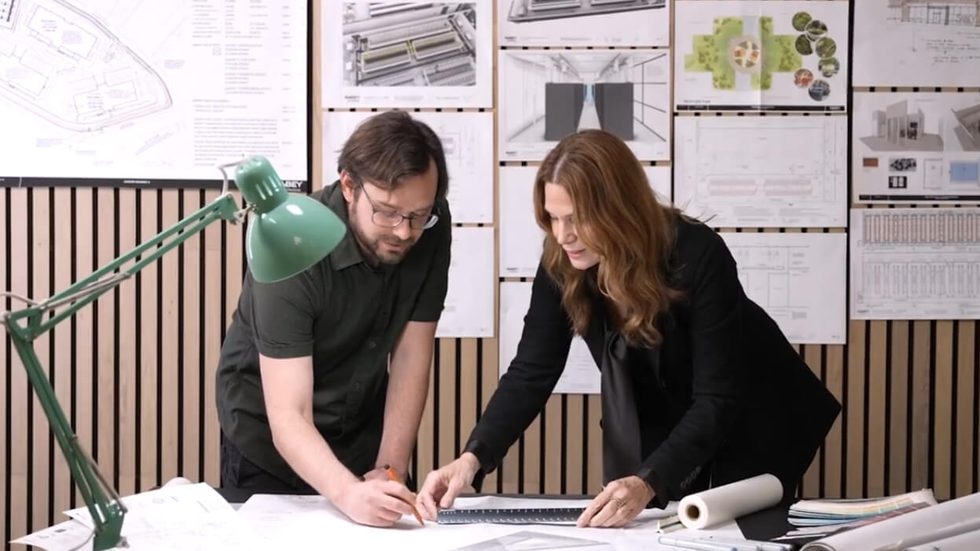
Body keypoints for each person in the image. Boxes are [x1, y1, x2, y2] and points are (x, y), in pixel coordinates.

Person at [417, 129, 841, 528]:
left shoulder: (697, 254)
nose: (563, 236)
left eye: (577, 219)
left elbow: (718, 398)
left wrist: (650, 479)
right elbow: (532, 370)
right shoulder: (563, 260)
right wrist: (472, 458)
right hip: (672, 413)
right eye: (553, 218)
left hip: (755, 415)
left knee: (727, 529)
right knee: (663, 522)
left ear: (617, 208)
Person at [216, 111, 451, 526]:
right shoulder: (290, 243)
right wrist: (346, 492)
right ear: (348, 186)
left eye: (418, 215)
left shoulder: (427, 223)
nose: (403, 231)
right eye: (387, 213)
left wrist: (390, 468)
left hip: (360, 433)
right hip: (271, 443)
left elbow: (413, 355)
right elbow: (289, 414)